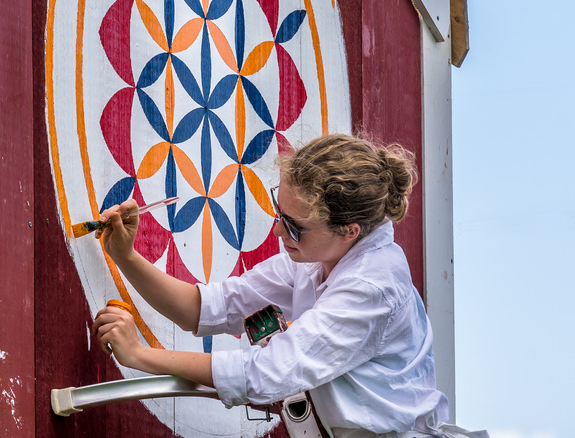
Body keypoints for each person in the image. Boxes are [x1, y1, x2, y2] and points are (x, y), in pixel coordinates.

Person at [91, 134, 488, 438]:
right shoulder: (317, 258)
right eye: (280, 211)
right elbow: (210, 308)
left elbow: (265, 374)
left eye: (295, 226)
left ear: (349, 230)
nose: (279, 230)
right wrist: (126, 255)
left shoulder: (372, 287)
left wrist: (141, 356)